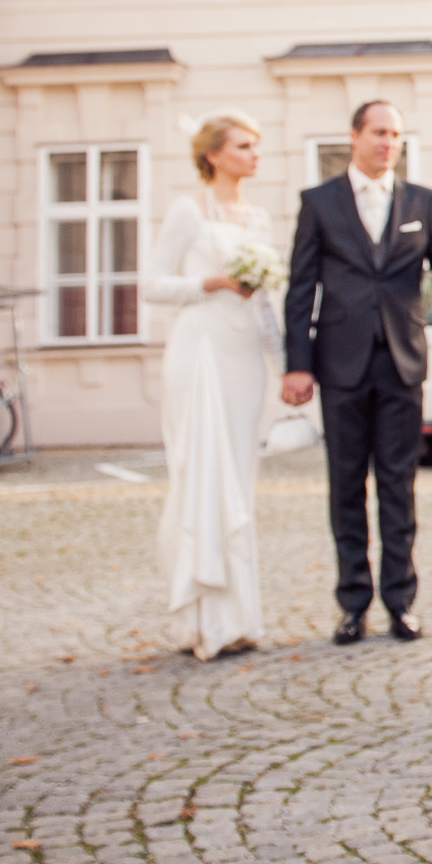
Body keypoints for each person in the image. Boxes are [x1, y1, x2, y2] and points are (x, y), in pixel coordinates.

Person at [281, 101, 432, 646]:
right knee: (345, 488)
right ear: (355, 137)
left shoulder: (420, 200)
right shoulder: (318, 204)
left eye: (396, 136)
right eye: (379, 133)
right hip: (339, 364)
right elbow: (300, 289)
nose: (389, 143)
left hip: (401, 363)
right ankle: (352, 604)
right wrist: (297, 364)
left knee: (397, 486)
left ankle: (401, 602)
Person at [144, 113, 277, 660]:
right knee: (201, 471)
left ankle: (239, 617)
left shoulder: (259, 218)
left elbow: (266, 301)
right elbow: (152, 284)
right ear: (215, 155)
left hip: (245, 354)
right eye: (244, 146)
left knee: (239, 479)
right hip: (199, 351)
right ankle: (201, 619)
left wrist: (288, 362)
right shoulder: (188, 210)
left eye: (256, 146)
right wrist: (213, 282)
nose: (254, 155)